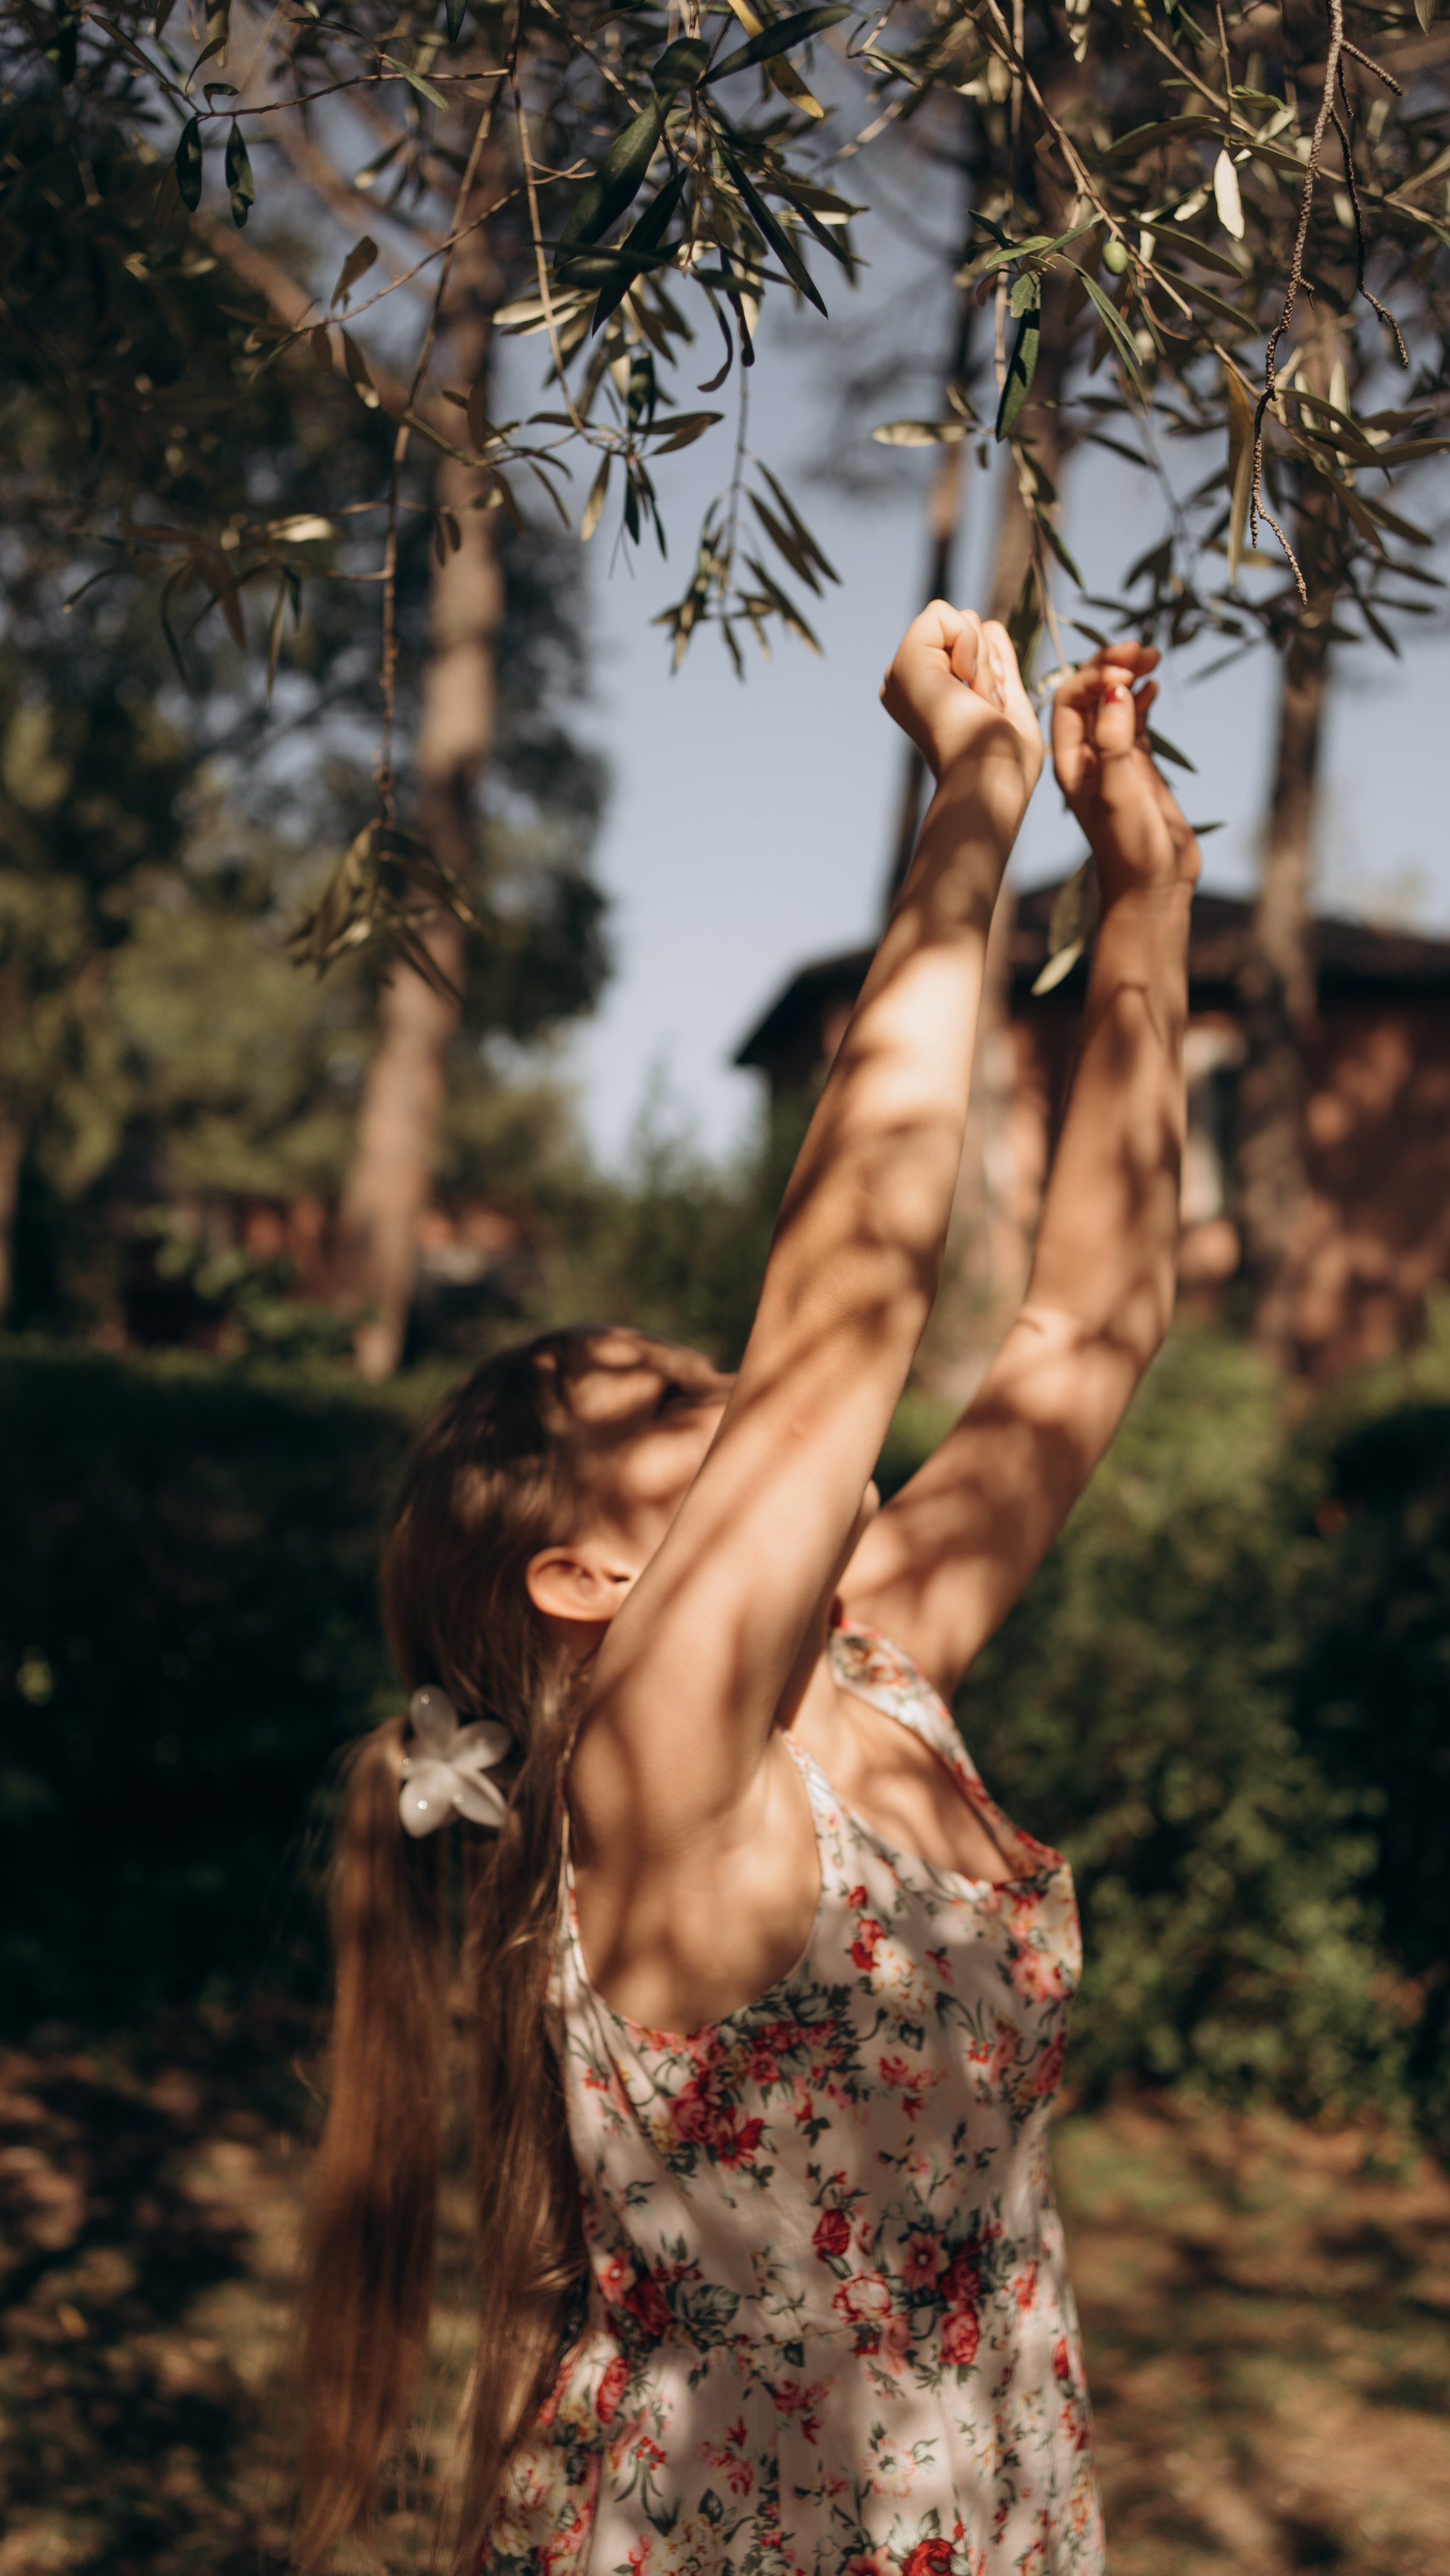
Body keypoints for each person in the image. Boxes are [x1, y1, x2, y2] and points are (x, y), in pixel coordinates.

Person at [296, 604, 1198, 2576]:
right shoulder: (659, 1782)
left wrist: (1141, 903)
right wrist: (966, 804)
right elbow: (843, 1316)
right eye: (671, 1403)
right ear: (584, 1576)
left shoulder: (865, 1671)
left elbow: (1083, 1329)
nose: (738, 1389)